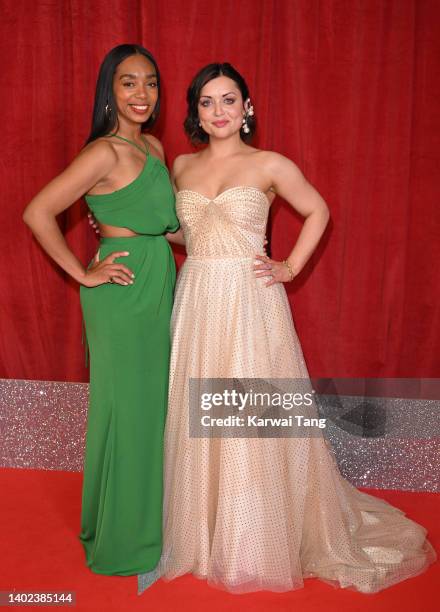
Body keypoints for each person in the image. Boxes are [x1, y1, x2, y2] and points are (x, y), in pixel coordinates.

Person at [139, 62, 436, 594]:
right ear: (196, 113)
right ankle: (204, 533)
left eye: (229, 100)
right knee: (198, 413)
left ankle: (255, 536)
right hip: (198, 298)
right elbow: (187, 233)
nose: (219, 111)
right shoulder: (181, 166)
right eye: (207, 102)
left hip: (252, 302)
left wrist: (289, 267)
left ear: (247, 108)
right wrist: (133, 232)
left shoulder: (271, 163)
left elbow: (318, 210)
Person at [23, 44, 183, 576]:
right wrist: (83, 273)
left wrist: (234, 225)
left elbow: (172, 228)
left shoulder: (156, 148)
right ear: (109, 92)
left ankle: (148, 524)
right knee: (128, 411)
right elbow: (38, 211)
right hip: (122, 290)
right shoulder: (104, 153)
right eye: (129, 82)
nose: (142, 94)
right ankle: (123, 539)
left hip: (160, 277)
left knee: (154, 409)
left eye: (151, 83)